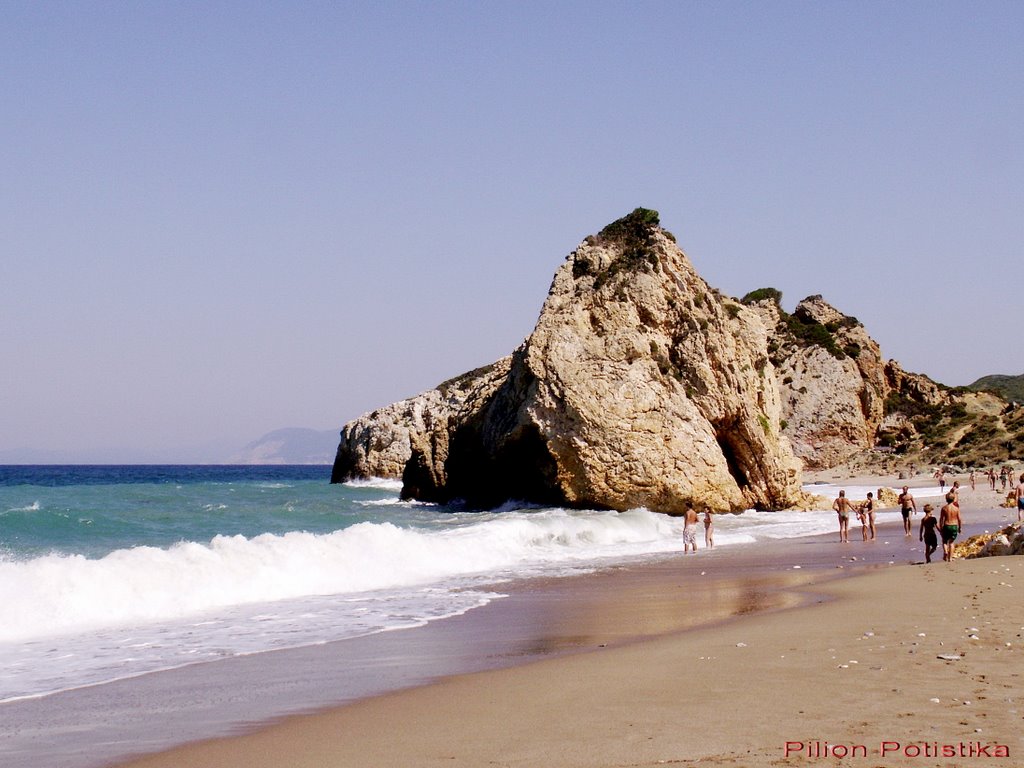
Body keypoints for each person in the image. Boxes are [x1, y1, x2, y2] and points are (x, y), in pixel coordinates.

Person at [939, 492, 962, 563]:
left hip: (946, 525)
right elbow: (959, 519)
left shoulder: (944, 508)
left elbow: (941, 519)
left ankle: (945, 551)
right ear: (953, 499)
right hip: (954, 525)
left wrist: (941, 527)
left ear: (946, 499)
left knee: (944, 541)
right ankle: (950, 558)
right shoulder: (956, 508)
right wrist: (960, 528)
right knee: (951, 542)